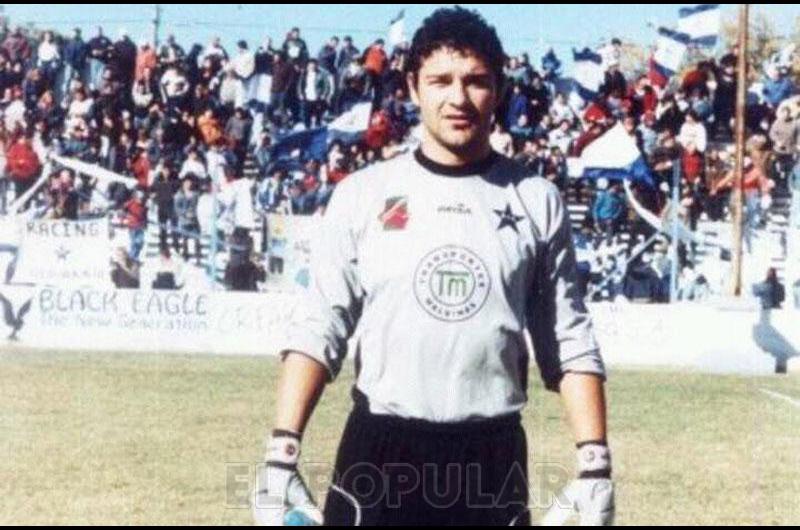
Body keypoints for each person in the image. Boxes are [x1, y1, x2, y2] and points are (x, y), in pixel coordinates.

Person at [253, 7, 613, 527]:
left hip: (490, 457)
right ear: (413, 88)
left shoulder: (538, 200)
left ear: (500, 89)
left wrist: (594, 463)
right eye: (441, 80)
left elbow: (569, 337)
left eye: (476, 81)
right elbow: (319, 326)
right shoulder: (362, 195)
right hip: (379, 453)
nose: (458, 98)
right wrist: (281, 452)